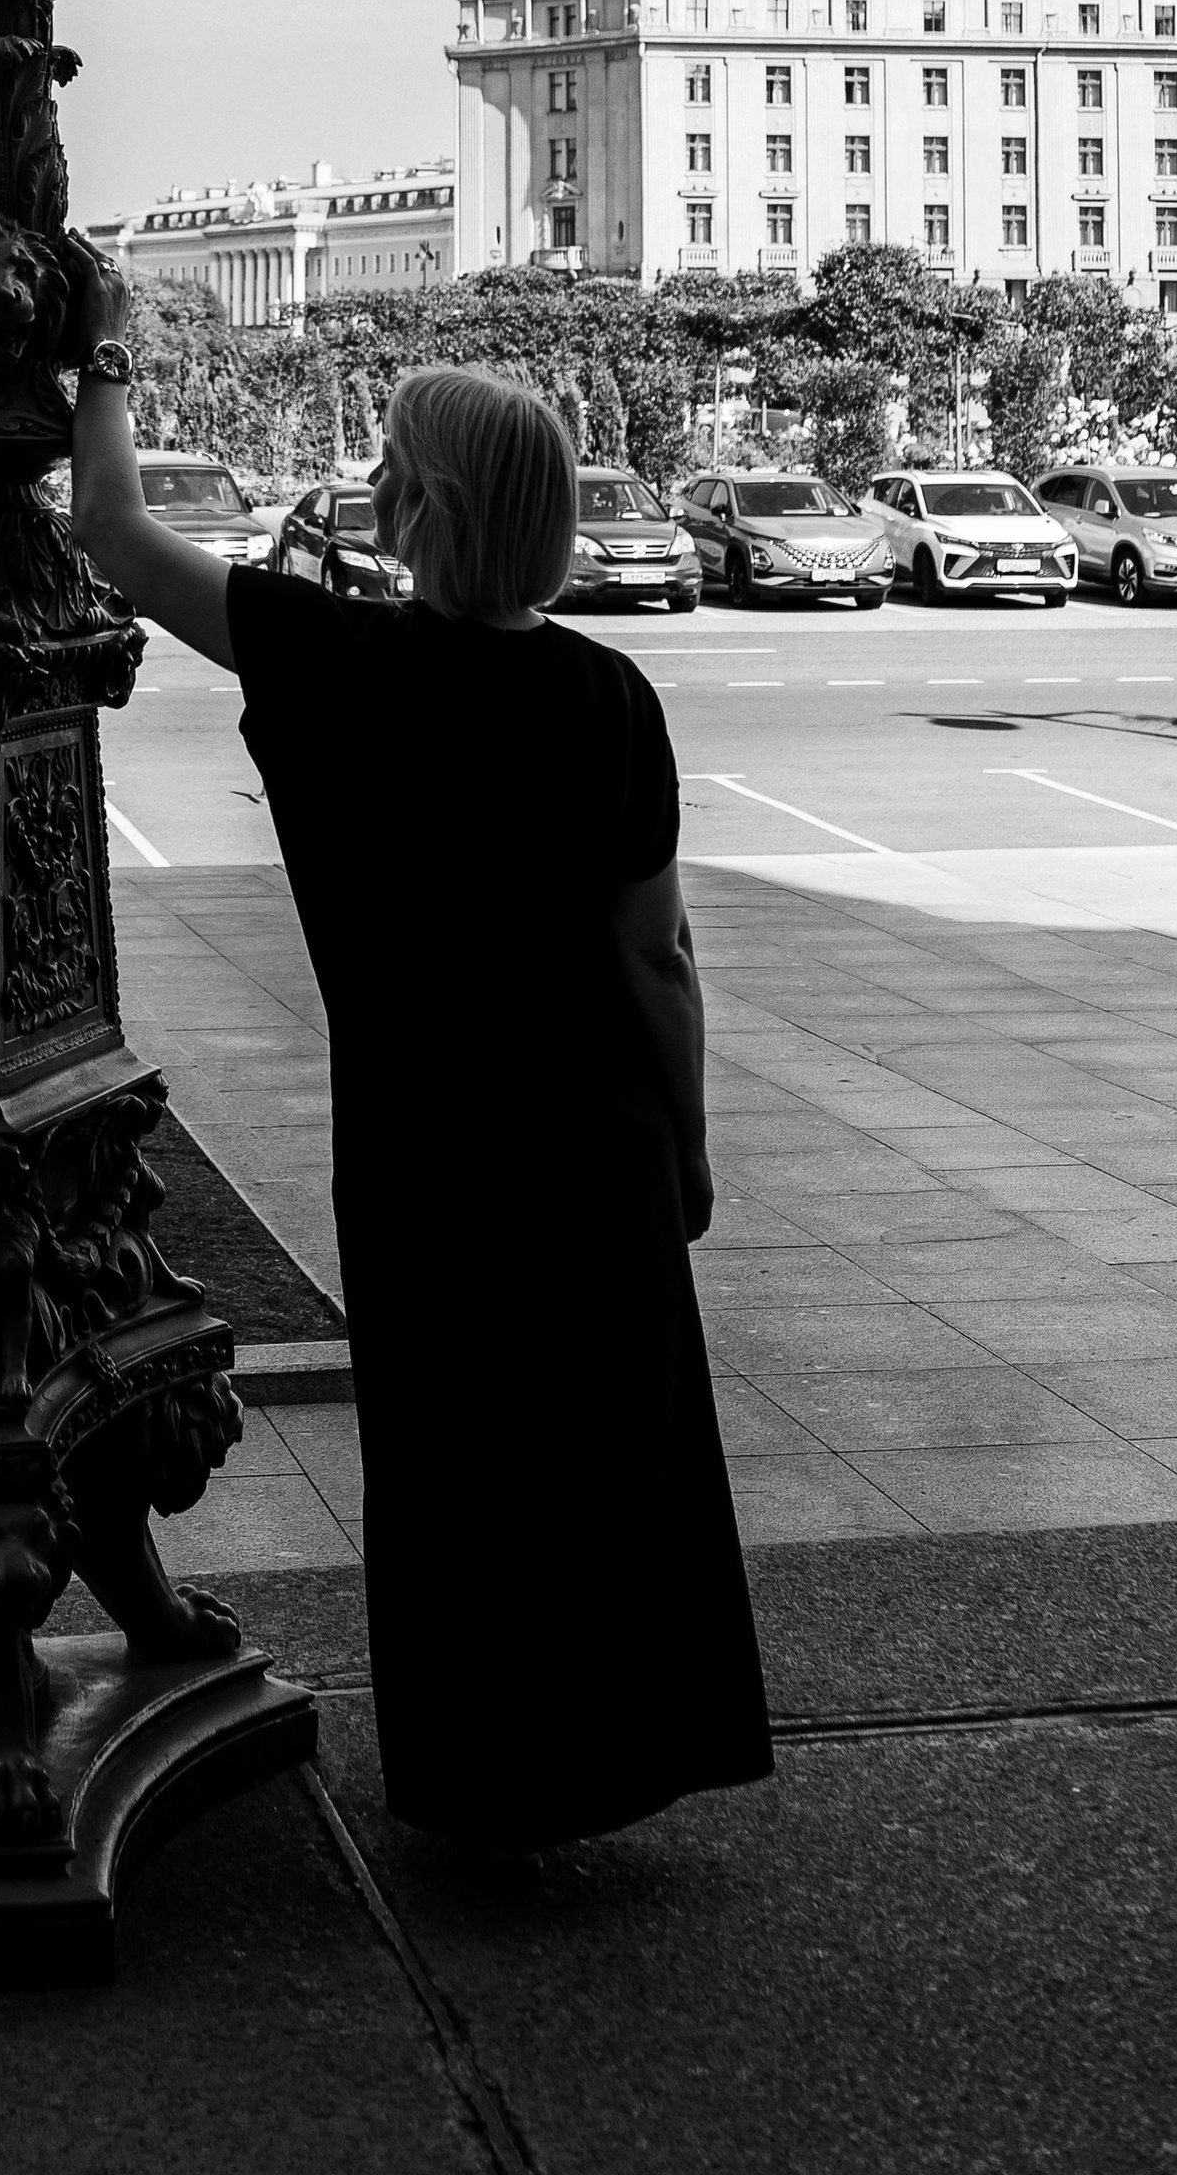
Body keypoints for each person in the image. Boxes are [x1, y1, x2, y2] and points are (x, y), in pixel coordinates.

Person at [68, 294, 773, 1852]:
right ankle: (613, 1754)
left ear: (419, 506)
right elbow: (653, 958)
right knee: (603, 1457)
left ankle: (477, 1775)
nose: (372, 476)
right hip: (599, 1145)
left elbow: (110, 531)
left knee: (455, 1464)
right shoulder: (610, 695)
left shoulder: (332, 657)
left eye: (389, 459)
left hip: (426, 1148)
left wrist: (102, 354)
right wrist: (692, 1146)